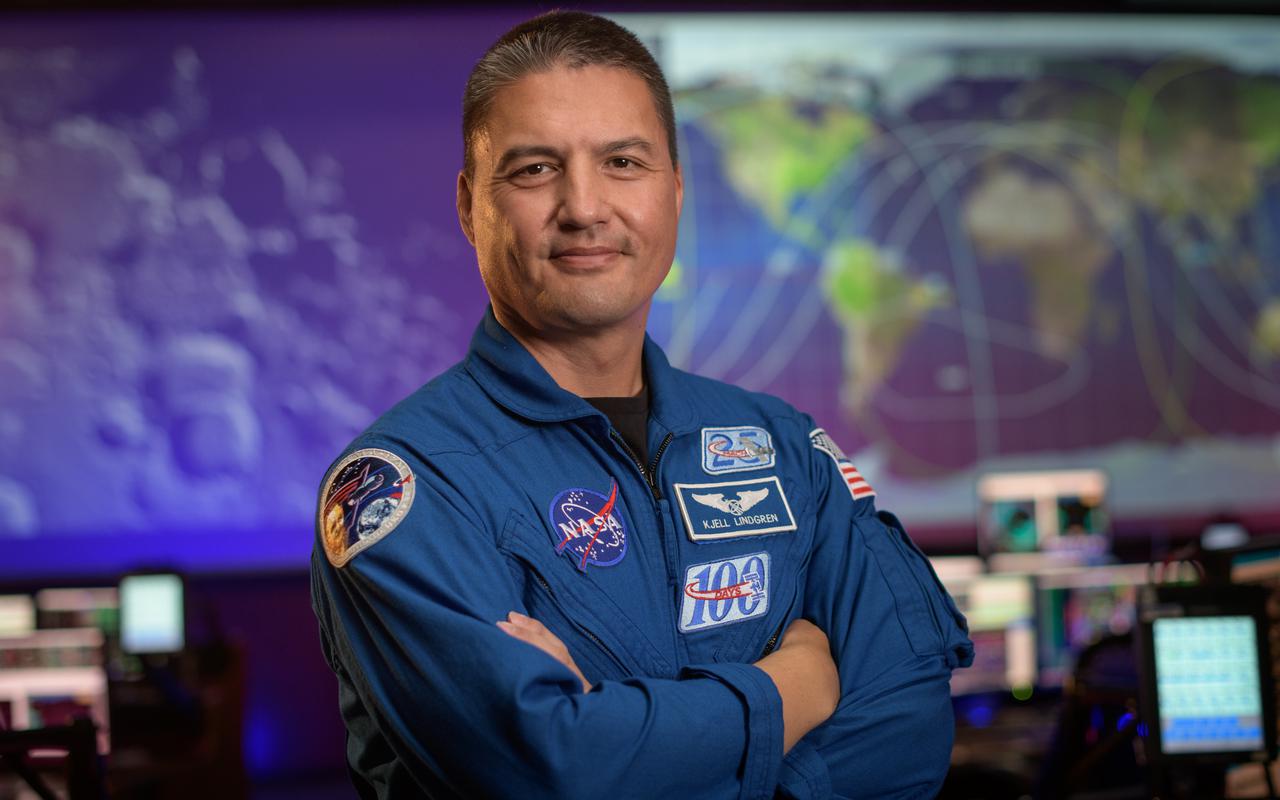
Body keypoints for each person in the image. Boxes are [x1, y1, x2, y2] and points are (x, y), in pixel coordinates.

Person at [310, 11, 973, 799]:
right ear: (468, 208)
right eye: (533, 170)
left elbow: (908, 731)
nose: (584, 207)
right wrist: (793, 688)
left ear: (675, 193)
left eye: (623, 162)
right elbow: (548, 771)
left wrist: (626, 740)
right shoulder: (406, 489)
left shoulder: (783, 446)